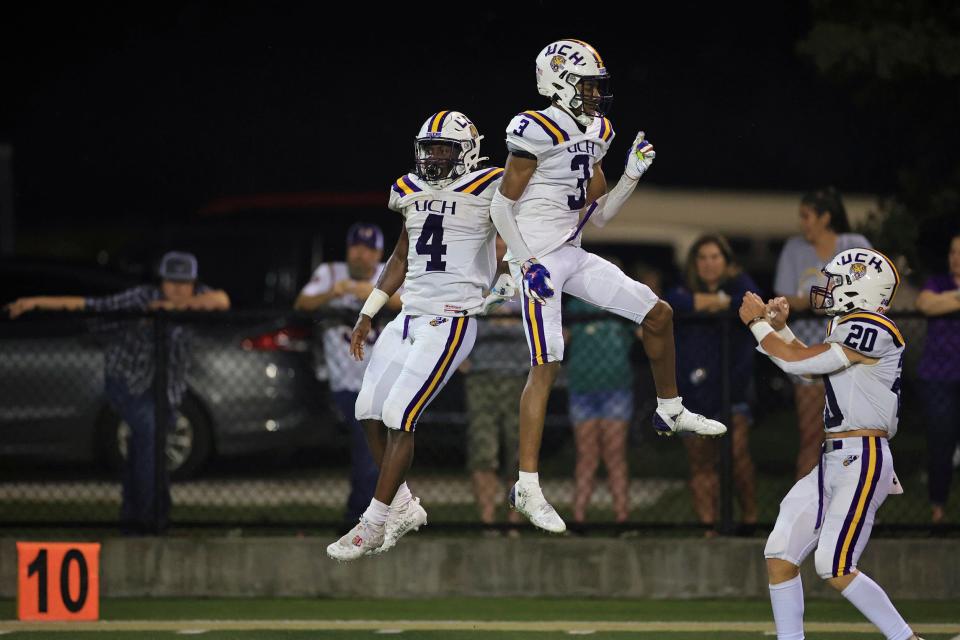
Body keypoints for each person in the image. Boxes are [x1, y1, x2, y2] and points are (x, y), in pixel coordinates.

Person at [490, 38, 726, 534]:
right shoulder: (534, 128)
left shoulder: (598, 130)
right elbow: (499, 207)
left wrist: (631, 177)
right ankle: (526, 486)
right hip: (538, 262)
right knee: (547, 364)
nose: (597, 95)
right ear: (558, 81)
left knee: (658, 313)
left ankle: (670, 409)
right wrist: (521, 262)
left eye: (599, 86)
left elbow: (600, 215)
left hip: (571, 253)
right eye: (588, 85)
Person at [326, 110, 512, 561]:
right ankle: (403, 504)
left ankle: (372, 523)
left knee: (398, 413)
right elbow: (401, 255)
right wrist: (369, 311)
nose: (433, 157)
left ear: (467, 151)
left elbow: (521, 230)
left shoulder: (489, 185)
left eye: (444, 149)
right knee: (366, 409)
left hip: (450, 320)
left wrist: (508, 274)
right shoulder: (409, 189)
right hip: (407, 316)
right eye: (429, 149)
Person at [741, 247, 922, 640]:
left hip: (863, 456)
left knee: (835, 564)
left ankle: (906, 638)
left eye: (836, 282)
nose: (826, 289)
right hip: (834, 459)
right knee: (780, 551)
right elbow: (807, 366)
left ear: (861, 287)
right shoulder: (849, 326)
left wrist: (759, 325)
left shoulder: (873, 326)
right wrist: (780, 331)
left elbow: (798, 363)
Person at [6, 251, 230, 533]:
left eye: (184, 283)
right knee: (149, 432)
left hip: (165, 389)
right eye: (171, 282)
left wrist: (171, 308)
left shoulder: (196, 298)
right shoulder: (139, 298)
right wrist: (35, 302)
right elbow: (90, 305)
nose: (177, 288)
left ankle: (133, 516)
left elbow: (222, 300)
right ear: (160, 281)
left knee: (145, 447)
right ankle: (152, 518)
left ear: (193, 283)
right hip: (127, 382)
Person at [295, 223, 401, 525]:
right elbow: (301, 304)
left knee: (375, 447)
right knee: (368, 443)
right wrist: (332, 293)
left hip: (383, 381)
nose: (361, 255)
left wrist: (377, 295)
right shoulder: (331, 273)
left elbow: (410, 305)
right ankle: (363, 514)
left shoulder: (390, 271)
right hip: (342, 382)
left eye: (369, 249)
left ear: (379, 253)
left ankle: (367, 513)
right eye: (356, 247)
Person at [773, 188, 872, 479]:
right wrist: (820, 302)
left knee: (853, 434)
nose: (802, 223)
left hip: (850, 351)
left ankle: (854, 501)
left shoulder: (854, 244)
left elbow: (873, 291)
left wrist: (822, 301)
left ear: (825, 217)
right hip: (808, 350)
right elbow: (784, 297)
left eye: (807, 216)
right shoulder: (795, 249)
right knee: (812, 432)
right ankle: (806, 509)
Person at [665, 235, 758, 533]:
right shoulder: (681, 289)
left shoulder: (739, 287)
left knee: (737, 457)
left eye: (715, 257)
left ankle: (750, 521)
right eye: (702, 257)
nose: (708, 263)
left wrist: (727, 293)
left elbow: (754, 302)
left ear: (727, 262)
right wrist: (717, 303)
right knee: (701, 464)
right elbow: (672, 303)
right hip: (692, 396)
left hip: (733, 392)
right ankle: (709, 529)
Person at [460, 236, 526, 531]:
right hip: (482, 376)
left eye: (504, 242)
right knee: (483, 451)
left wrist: (501, 320)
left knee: (518, 452)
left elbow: (541, 321)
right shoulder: (474, 278)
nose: (499, 249)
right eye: (495, 243)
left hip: (520, 377)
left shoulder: (526, 277)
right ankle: (487, 522)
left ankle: (513, 523)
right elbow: (462, 317)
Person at [565, 290, 633, 523]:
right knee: (587, 456)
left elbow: (647, 332)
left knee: (614, 455)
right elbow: (561, 338)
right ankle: (578, 518)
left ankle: (622, 518)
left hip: (616, 389)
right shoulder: (574, 306)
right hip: (582, 389)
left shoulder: (623, 305)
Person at [915, 232, 960, 524]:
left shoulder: (946, 290)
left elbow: (940, 304)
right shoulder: (938, 282)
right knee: (940, 446)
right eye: (953, 251)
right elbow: (926, 304)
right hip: (938, 378)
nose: (955, 258)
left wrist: (950, 301)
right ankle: (938, 513)